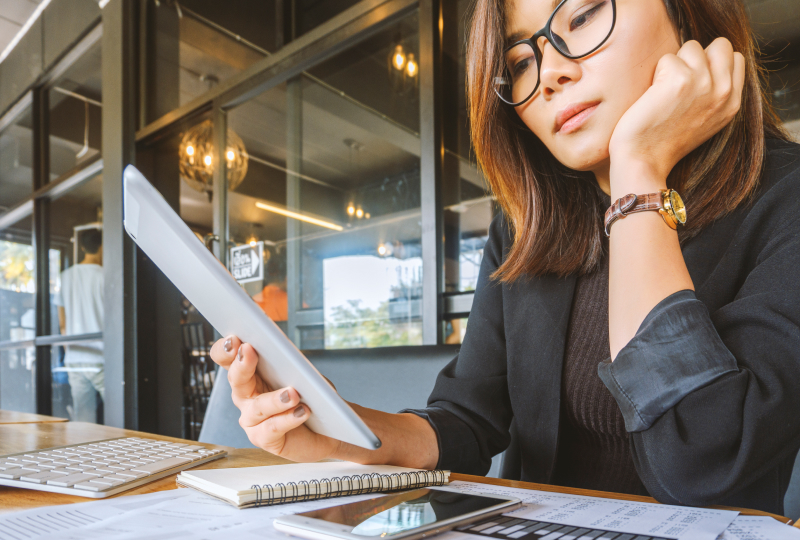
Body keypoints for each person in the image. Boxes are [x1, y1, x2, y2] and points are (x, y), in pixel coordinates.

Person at [209, 0, 800, 515]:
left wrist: (638, 172)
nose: (550, 75)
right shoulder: (526, 226)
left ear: (685, 11)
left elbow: (702, 461)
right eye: (520, 62)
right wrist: (333, 433)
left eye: (585, 15)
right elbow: (467, 421)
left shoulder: (786, 197)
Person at [55, 228, 104, 423]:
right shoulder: (106, 275)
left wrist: (69, 353)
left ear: (83, 247)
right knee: (120, 415)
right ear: (102, 246)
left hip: (75, 357)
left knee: (84, 420)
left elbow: (62, 322)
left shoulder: (66, 276)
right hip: (102, 357)